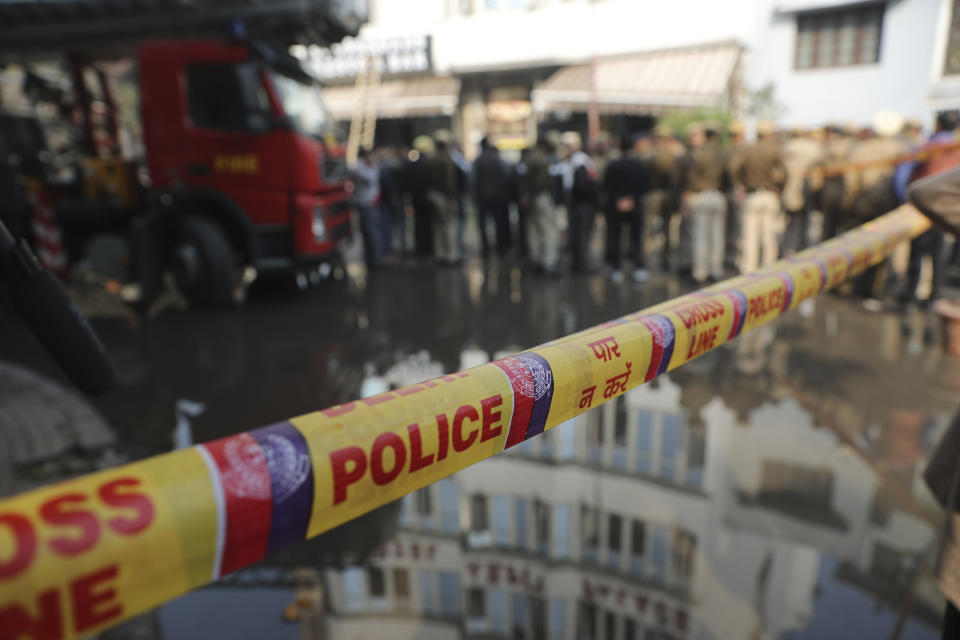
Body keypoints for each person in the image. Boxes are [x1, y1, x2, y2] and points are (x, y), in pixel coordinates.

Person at [894, 110, 960, 308]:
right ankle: (933, 296)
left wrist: (904, 202)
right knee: (939, 254)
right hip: (950, 211)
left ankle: (911, 295)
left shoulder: (926, 147)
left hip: (922, 209)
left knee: (917, 254)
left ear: (938, 124)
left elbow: (905, 180)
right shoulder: (956, 148)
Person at [844, 111, 908, 305]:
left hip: (863, 204)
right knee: (883, 249)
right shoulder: (901, 149)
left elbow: (850, 178)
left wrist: (853, 198)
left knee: (862, 246)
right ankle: (875, 290)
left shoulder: (862, 149)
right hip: (887, 207)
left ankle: (857, 286)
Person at [734, 120, 785, 274]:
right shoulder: (775, 150)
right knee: (769, 237)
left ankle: (748, 271)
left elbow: (735, 168)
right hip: (770, 195)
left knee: (750, 237)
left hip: (752, 195)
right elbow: (784, 172)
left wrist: (741, 184)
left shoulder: (748, 150)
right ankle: (768, 270)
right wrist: (779, 189)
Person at [602, 134, 651, 282]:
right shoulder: (640, 165)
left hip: (616, 207)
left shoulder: (613, 165)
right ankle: (638, 267)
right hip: (635, 206)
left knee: (615, 236)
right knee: (636, 238)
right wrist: (632, 199)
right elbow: (646, 185)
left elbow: (606, 186)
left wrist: (619, 199)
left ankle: (616, 267)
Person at [684, 123, 728, 283]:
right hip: (717, 194)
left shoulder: (697, 152)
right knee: (717, 236)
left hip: (700, 195)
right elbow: (728, 174)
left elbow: (689, 175)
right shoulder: (723, 152)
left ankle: (700, 272)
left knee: (700, 237)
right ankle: (716, 270)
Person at [520, 137, 561, 275]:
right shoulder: (542, 160)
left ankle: (536, 260)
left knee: (534, 231)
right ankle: (548, 263)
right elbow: (541, 182)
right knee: (549, 230)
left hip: (531, 198)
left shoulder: (529, 158)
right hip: (541, 197)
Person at [780, 127, 823, 255]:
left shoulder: (787, 147)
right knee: (804, 221)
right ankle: (801, 250)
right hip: (806, 189)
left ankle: (787, 249)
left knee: (789, 222)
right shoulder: (814, 148)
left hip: (789, 188)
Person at [562, 131, 599, 273]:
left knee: (581, 234)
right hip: (578, 202)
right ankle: (579, 264)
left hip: (581, 202)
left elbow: (585, 184)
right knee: (578, 234)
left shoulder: (581, 160)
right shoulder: (573, 160)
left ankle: (581, 264)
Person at [425, 130, 461, 265]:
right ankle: (451, 256)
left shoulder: (431, 159)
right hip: (445, 196)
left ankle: (440, 254)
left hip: (433, 194)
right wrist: (452, 199)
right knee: (450, 226)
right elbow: (449, 182)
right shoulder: (447, 160)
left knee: (438, 226)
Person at [472, 137, 511, 258]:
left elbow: (472, 180)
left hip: (482, 197)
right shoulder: (497, 159)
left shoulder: (478, 160)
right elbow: (506, 176)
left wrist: (474, 196)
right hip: (498, 196)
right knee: (499, 223)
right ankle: (500, 248)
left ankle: (485, 249)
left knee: (483, 225)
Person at [351, 148, 383, 269]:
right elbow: (369, 178)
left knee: (371, 232)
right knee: (370, 232)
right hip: (365, 202)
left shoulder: (367, 167)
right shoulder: (360, 167)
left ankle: (374, 258)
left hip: (369, 202)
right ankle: (373, 259)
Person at [403, 135, 434, 258]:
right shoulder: (430, 164)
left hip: (416, 199)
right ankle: (429, 248)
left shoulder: (411, 165)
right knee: (429, 224)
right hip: (428, 198)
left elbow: (407, 183)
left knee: (418, 224)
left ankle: (420, 249)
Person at [377, 146, 406, 256]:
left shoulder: (383, 167)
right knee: (398, 224)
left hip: (389, 199)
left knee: (389, 224)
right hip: (395, 198)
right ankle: (400, 246)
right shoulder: (396, 166)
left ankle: (391, 246)